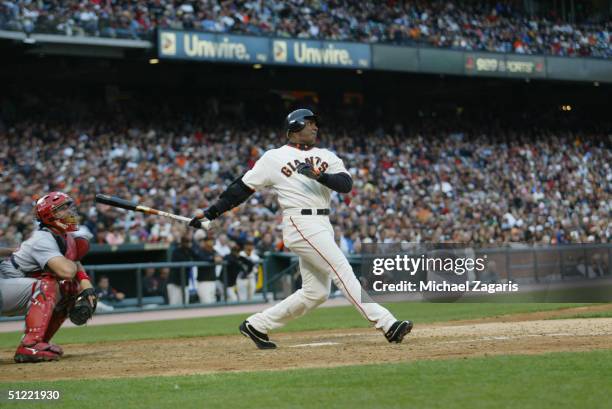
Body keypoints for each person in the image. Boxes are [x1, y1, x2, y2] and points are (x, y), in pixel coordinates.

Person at [190, 109, 412, 349]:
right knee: (341, 269)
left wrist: (320, 176)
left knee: (316, 292)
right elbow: (241, 188)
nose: (315, 127)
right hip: (300, 221)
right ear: (294, 127)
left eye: (315, 123)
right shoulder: (274, 157)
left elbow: (346, 184)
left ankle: (257, 325)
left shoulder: (326, 155)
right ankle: (388, 324)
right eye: (309, 123)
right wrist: (211, 212)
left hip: (323, 223)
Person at [0, 192, 97, 362]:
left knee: (69, 289)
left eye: (69, 206)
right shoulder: (42, 238)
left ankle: (40, 342)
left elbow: (73, 265)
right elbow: (66, 271)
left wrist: (87, 287)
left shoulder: (63, 236)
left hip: (13, 288)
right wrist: (74, 259)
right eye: (63, 208)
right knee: (49, 284)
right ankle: (30, 345)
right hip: (4, 284)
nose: (70, 211)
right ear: (50, 215)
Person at [192, 232, 221, 304]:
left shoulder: (214, 251)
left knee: (213, 302)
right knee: (206, 303)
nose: (211, 243)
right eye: (209, 241)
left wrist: (216, 258)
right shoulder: (200, 251)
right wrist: (213, 259)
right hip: (203, 282)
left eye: (211, 241)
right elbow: (202, 258)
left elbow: (220, 257)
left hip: (212, 281)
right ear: (205, 242)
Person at [167, 236, 195, 305]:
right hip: (174, 283)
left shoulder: (189, 250)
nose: (187, 244)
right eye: (185, 242)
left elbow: (198, 256)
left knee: (185, 305)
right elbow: (184, 261)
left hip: (184, 282)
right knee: (174, 304)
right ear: (182, 243)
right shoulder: (176, 251)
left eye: (188, 242)